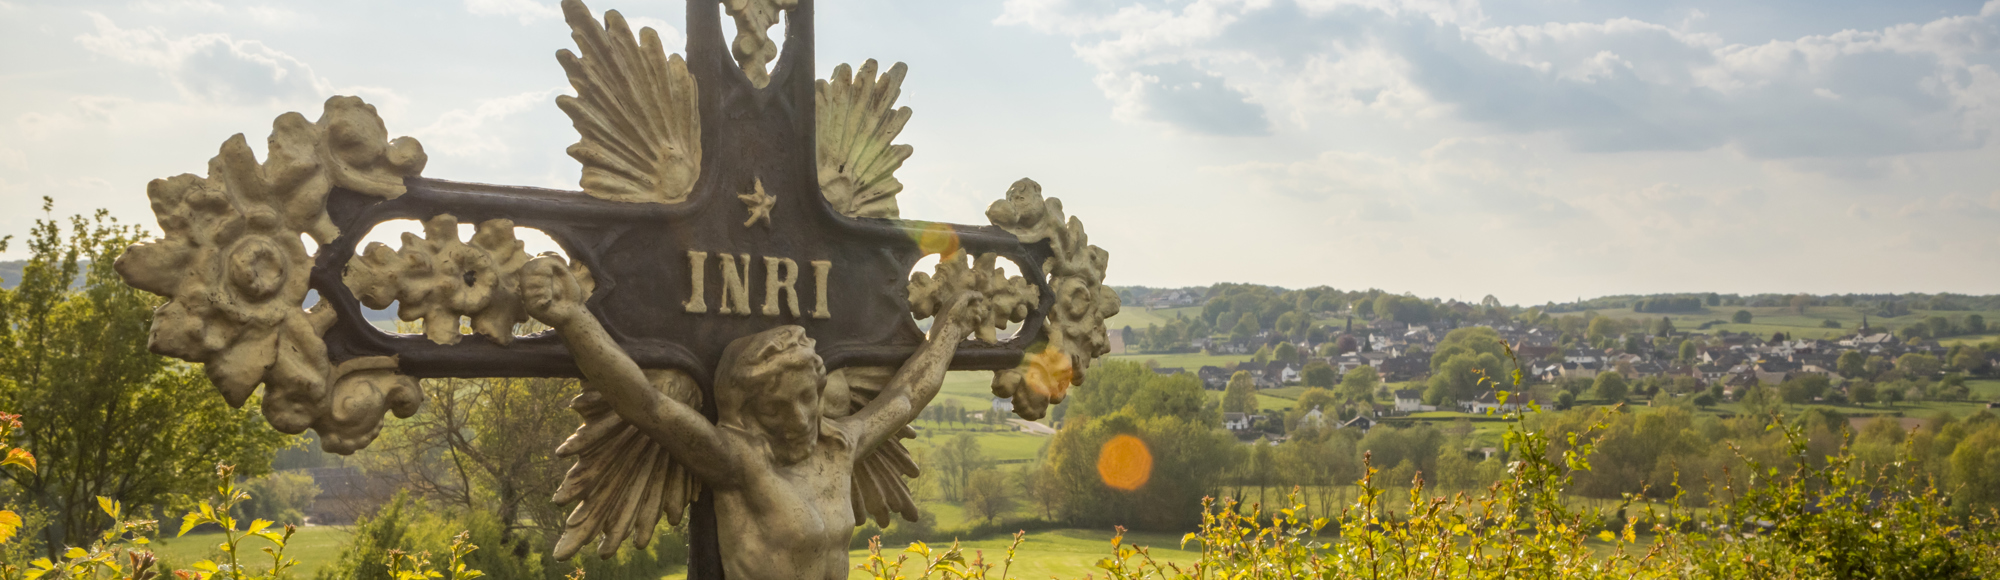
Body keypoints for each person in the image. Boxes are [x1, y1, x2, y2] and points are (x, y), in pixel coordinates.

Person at [521, 255, 982, 579]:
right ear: (748, 412)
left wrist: (950, 329)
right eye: (775, 408)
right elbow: (649, 406)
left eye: (807, 398)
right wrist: (571, 318)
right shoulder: (740, 464)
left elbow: (907, 396)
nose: (798, 418)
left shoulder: (842, 445)